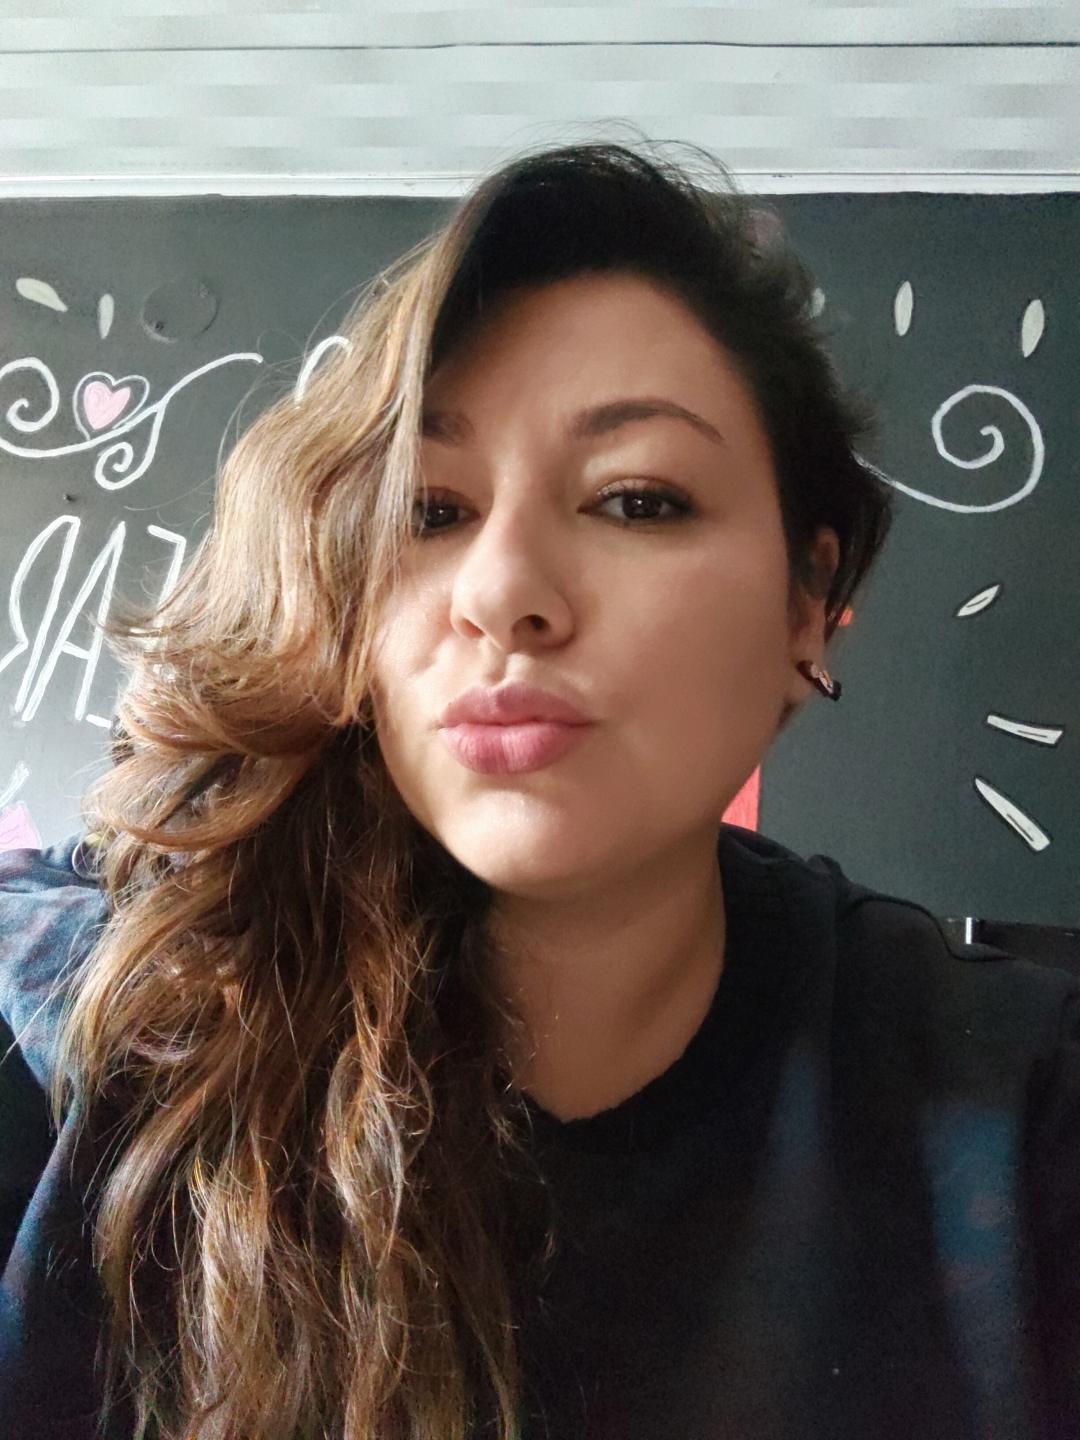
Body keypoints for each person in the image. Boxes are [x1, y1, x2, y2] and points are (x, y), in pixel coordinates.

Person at [1, 136, 1078, 1440]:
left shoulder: (1013, 1114)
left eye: (636, 500)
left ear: (810, 601)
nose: (502, 589)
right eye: (429, 511)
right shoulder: (88, 1035)